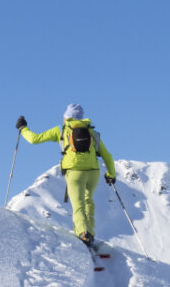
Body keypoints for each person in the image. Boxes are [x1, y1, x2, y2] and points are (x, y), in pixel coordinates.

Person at [15, 104, 117, 245]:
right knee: (88, 201)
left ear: (67, 117)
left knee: (78, 205)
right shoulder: (93, 134)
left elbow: (35, 139)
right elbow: (107, 156)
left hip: (74, 172)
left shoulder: (61, 130)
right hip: (93, 172)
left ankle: (83, 233)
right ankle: (90, 233)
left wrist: (23, 128)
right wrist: (111, 174)